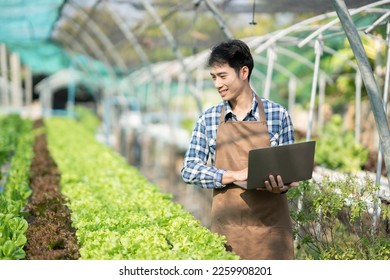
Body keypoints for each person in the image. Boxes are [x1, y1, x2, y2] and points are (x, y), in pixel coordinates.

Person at [181, 39, 298, 260]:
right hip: (227, 232)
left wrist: (281, 186)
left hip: (270, 234)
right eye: (214, 78)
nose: (217, 84)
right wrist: (232, 175)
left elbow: (289, 169)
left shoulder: (278, 114)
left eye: (223, 76)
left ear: (244, 72)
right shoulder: (209, 119)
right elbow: (189, 169)